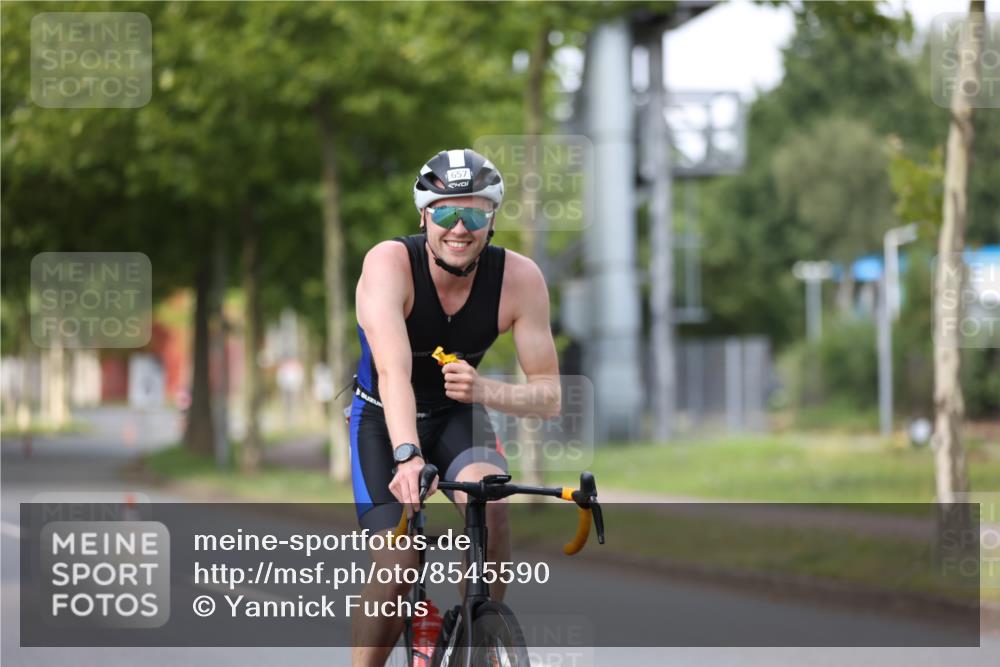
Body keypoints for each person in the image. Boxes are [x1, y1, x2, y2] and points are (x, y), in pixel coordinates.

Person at [351, 148, 561, 665]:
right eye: (446, 213)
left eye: (475, 213)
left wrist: (485, 390)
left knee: (492, 507)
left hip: (457, 412)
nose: (460, 228)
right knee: (399, 562)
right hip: (383, 417)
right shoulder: (388, 264)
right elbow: (393, 372)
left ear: (492, 220)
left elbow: (550, 396)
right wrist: (406, 456)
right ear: (424, 216)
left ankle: (482, 637)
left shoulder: (520, 279)